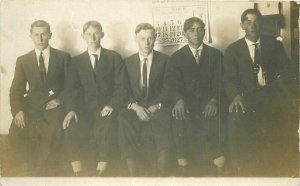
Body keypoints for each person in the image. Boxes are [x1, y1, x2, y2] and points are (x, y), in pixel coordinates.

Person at [223, 9, 290, 176]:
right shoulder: (233, 50)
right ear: (242, 25)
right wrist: (236, 96)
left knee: (281, 126)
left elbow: (287, 72)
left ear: (261, 24)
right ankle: (243, 171)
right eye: (248, 22)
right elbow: (229, 79)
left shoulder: (274, 44)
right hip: (246, 99)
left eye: (256, 21)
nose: (253, 26)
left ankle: (277, 170)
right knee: (237, 123)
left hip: (270, 96)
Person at [9, 20, 79, 176]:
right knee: (16, 128)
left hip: (54, 107)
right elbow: (16, 90)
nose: (40, 39)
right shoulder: (23, 60)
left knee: (51, 128)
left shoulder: (63, 57)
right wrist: (18, 110)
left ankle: (41, 171)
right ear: (31, 37)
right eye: (36, 35)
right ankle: (25, 168)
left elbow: (72, 87)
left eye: (44, 34)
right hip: (31, 107)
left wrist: (60, 100)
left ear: (50, 36)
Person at [63, 20, 128, 176]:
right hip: (84, 109)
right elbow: (71, 91)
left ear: (102, 35)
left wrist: (112, 105)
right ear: (83, 36)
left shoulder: (114, 58)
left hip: (107, 109)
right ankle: (77, 170)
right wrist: (72, 110)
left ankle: (102, 168)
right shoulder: (76, 62)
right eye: (88, 34)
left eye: (96, 34)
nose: (92, 38)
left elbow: (122, 87)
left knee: (108, 125)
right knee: (70, 125)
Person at [163, 17, 225, 176]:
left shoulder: (216, 54)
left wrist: (213, 100)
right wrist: (179, 100)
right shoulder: (176, 57)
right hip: (186, 103)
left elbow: (222, 81)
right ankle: (183, 163)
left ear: (204, 31)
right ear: (185, 33)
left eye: (199, 29)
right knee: (178, 115)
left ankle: (219, 164)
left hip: (209, 103)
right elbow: (171, 84)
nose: (196, 33)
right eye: (191, 30)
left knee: (216, 117)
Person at [118, 23, 170, 176]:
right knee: (123, 118)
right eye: (142, 38)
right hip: (135, 107)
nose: (146, 42)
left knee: (165, 118)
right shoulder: (127, 62)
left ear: (155, 39)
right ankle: (133, 172)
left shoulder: (166, 61)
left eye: (150, 38)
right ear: (136, 39)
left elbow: (168, 88)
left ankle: (161, 172)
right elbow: (122, 89)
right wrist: (135, 107)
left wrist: (157, 105)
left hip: (157, 106)